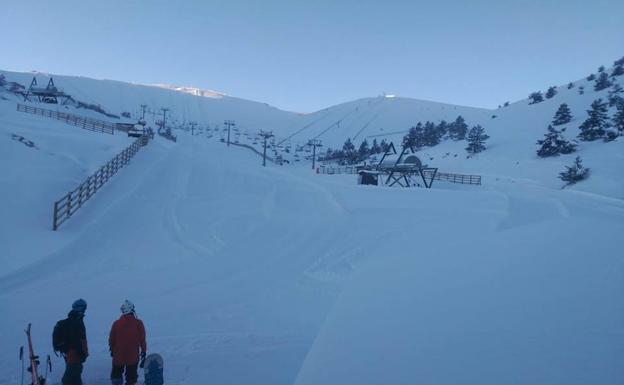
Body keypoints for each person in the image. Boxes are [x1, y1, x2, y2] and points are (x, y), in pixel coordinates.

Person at [109, 300, 147, 385]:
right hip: (132, 356)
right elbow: (142, 340)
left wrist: (112, 349)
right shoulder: (138, 323)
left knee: (116, 375)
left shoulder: (116, 323)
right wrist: (144, 351)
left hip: (118, 356)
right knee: (131, 378)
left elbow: (111, 339)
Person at [61, 299, 89, 385]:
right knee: (68, 379)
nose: (84, 310)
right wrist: (83, 354)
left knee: (75, 377)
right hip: (75, 355)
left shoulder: (73, 319)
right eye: (84, 308)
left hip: (71, 354)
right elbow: (78, 340)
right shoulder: (76, 321)